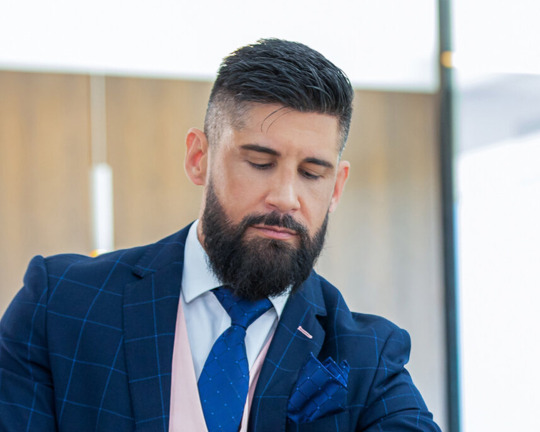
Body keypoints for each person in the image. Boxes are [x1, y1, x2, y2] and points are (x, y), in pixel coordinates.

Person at [0, 39, 441, 431]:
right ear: (199, 157)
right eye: (260, 163)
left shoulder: (368, 354)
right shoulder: (59, 305)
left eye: (311, 173)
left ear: (337, 187)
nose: (285, 197)